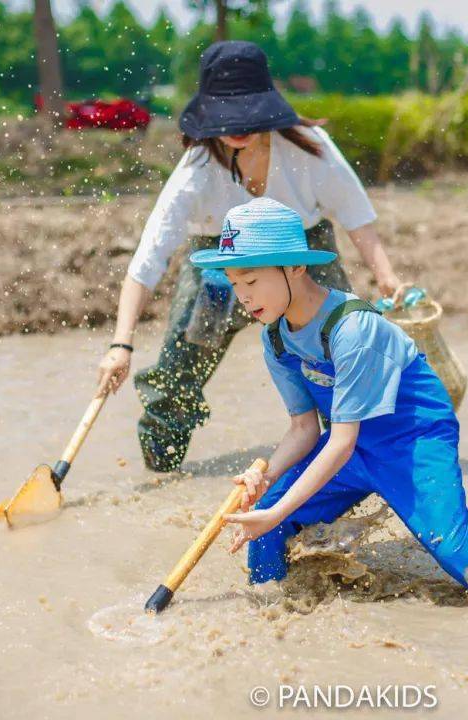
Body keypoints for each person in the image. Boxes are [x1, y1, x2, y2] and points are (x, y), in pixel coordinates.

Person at [187, 197, 468, 592]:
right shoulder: (275, 338)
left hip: (412, 440)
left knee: (450, 547)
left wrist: (279, 509)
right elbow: (303, 428)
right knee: (263, 526)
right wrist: (266, 475)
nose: (242, 297)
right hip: (352, 444)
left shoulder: (353, 330)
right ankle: (274, 612)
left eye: (251, 280)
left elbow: (341, 442)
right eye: (234, 283)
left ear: (295, 266)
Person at [96, 41, 401, 473]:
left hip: (301, 254)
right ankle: (162, 471)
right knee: (177, 377)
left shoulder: (310, 149)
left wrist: (387, 278)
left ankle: (352, 470)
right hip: (220, 263)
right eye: (226, 116)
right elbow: (149, 257)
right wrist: (120, 345)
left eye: (248, 114)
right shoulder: (196, 169)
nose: (238, 126)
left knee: (338, 355)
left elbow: (356, 216)